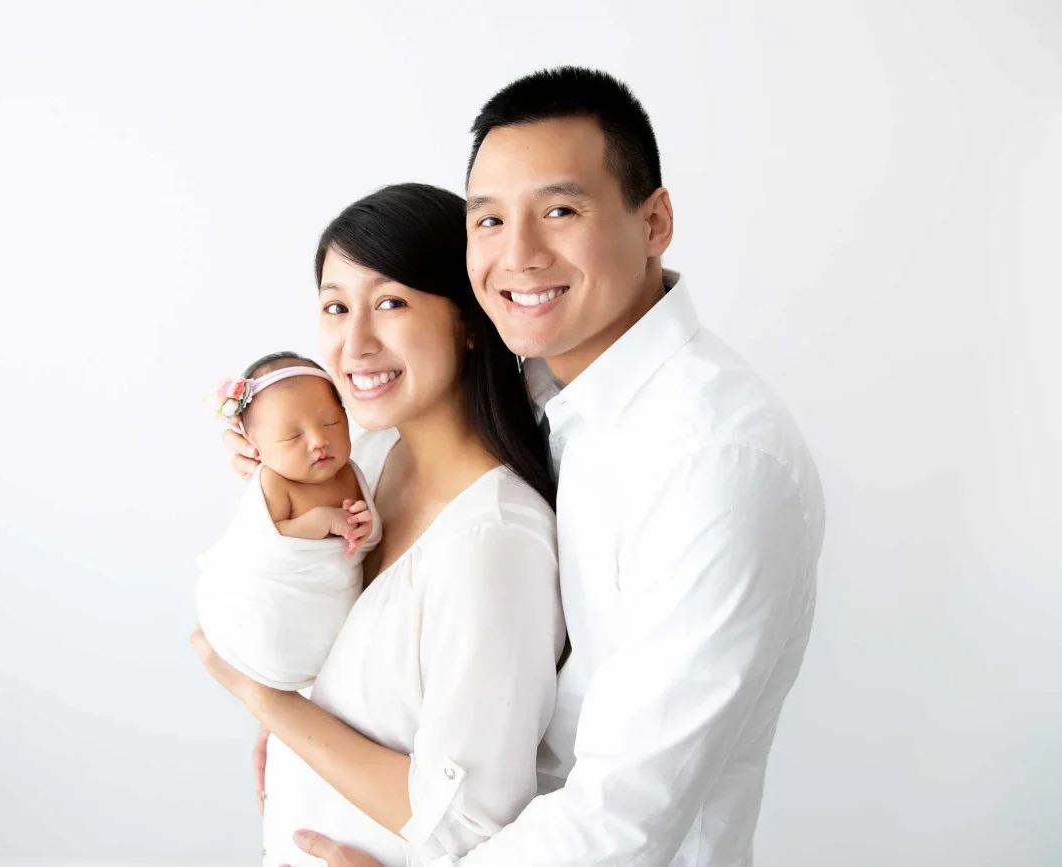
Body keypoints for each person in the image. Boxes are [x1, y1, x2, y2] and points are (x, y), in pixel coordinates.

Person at [282, 66, 827, 866]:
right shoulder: (538, 391)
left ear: (656, 221)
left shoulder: (715, 458)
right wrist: (275, 450)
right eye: (490, 221)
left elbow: (624, 811)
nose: (519, 255)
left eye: (560, 210)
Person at [191, 183, 565, 865]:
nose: (355, 342)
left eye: (391, 302)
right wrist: (269, 480)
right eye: (336, 307)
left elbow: (469, 816)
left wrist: (266, 700)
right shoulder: (371, 459)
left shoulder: (494, 541)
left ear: (469, 318)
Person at [195, 352, 379, 692]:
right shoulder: (274, 482)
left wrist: (363, 528)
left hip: (325, 604)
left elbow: (364, 541)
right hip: (272, 602)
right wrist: (320, 520)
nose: (318, 440)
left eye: (331, 424)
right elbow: (268, 543)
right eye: (292, 437)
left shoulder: (350, 471)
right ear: (255, 448)